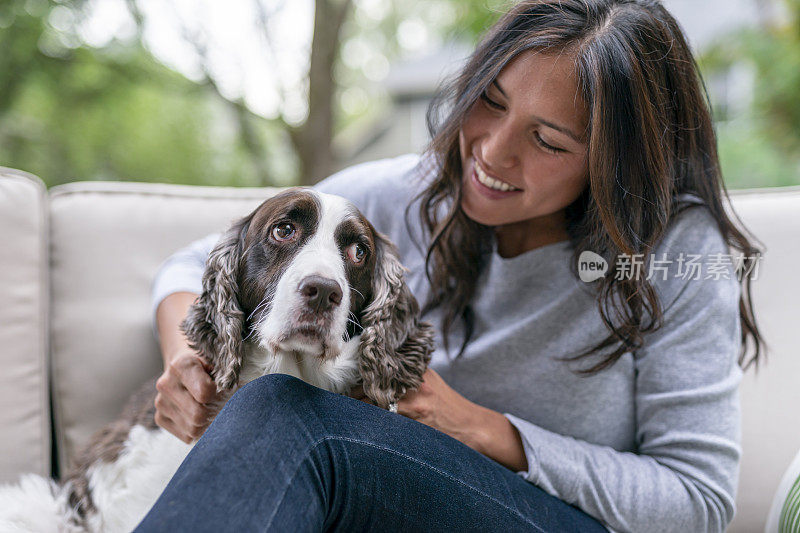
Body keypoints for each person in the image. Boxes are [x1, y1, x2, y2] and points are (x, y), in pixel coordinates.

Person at [137, 1, 764, 531]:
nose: (491, 152)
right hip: (398, 499)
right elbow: (193, 264)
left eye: (548, 141)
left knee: (289, 416)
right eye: (489, 102)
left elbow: (698, 502)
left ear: (614, 164)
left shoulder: (674, 251)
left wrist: (486, 430)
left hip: (554, 519)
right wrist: (190, 369)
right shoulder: (405, 195)